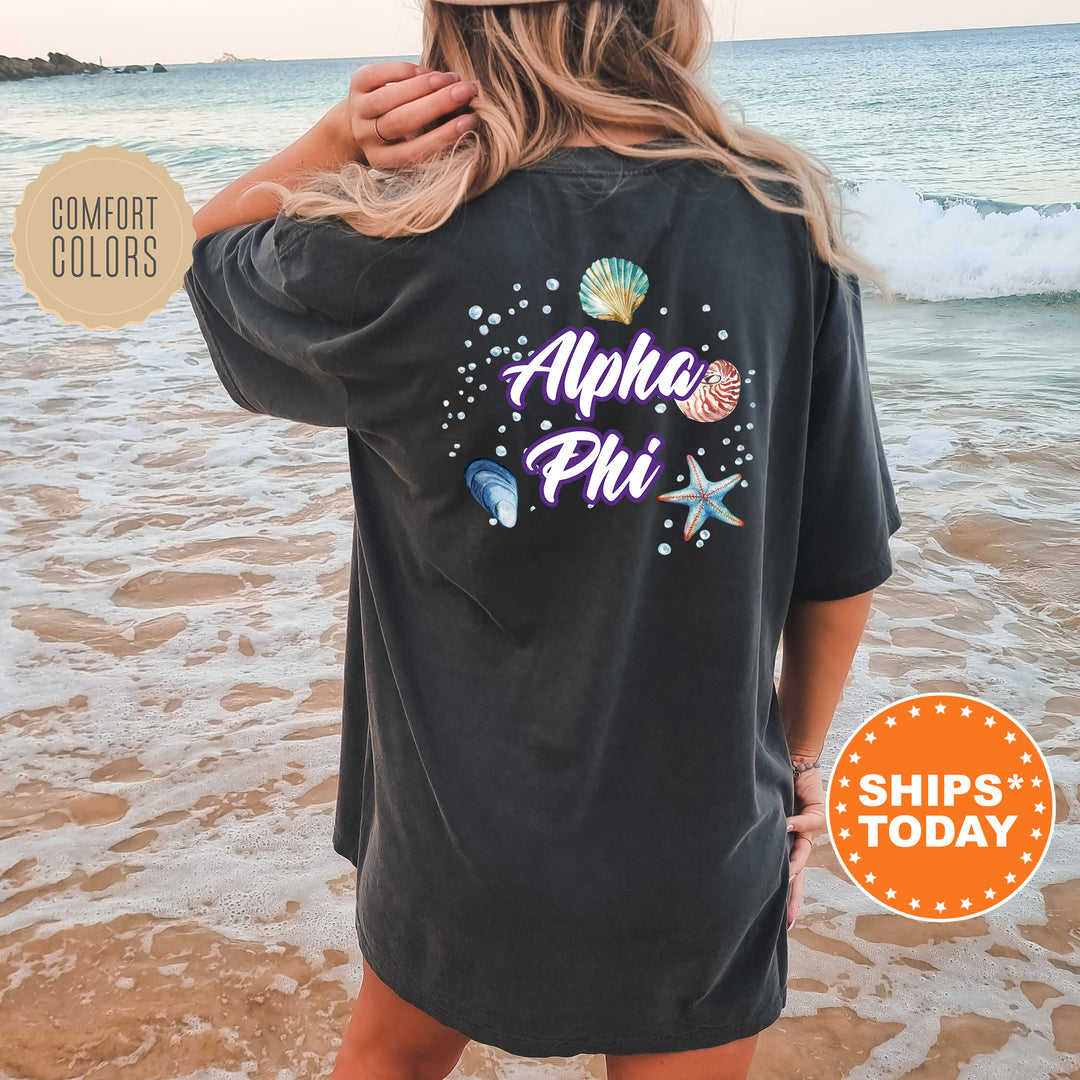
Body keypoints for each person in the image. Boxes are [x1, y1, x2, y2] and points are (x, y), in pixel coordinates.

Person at [182, 1, 903, 1077]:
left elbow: (203, 252)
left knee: (389, 1059)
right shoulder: (779, 219)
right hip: (699, 833)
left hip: (455, 833)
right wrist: (799, 764)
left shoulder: (395, 237)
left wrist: (338, 140)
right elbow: (841, 561)